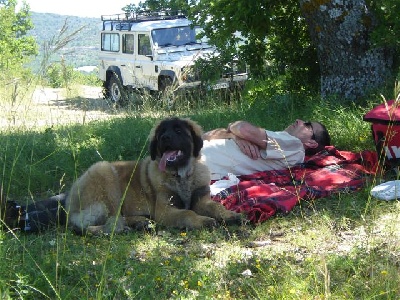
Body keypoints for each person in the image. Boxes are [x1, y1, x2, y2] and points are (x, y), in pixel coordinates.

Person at [201, 119, 331, 180]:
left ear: (311, 143)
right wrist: (234, 136)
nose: (299, 120)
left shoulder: (295, 146)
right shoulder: (280, 141)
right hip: (196, 151)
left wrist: (235, 130)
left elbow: (242, 129)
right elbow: (206, 135)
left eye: (307, 125)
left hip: (196, 161)